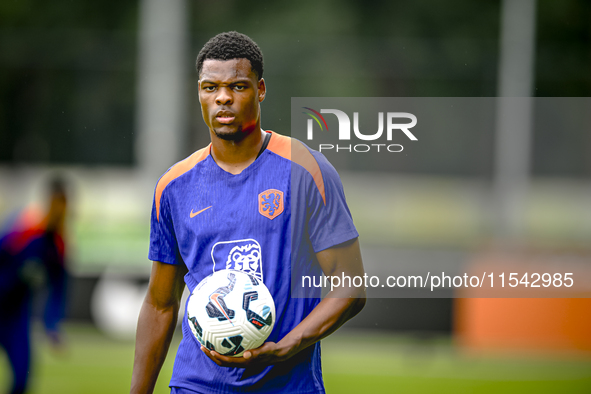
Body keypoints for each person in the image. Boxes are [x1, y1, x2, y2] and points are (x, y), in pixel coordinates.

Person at [130, 31, 366, 394]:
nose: (222, 97)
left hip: (288, 384)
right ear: (199, 92)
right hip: (197, 385)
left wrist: (288, 346)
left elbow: (350, 284)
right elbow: (161, 304)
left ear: (261, 90)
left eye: (237, 86)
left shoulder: (306, 170)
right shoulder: (173, 186)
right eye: (210, 87)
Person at [0, 176, 69, 394]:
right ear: (49, 202)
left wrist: (52, 324)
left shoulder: (57, 244)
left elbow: (59, 288)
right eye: (59, 204)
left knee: (23, 377)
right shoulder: (23, 229)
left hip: (15, 315)